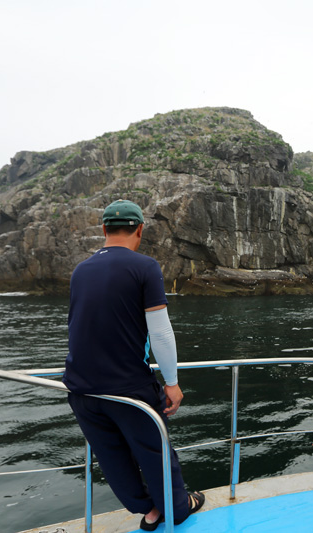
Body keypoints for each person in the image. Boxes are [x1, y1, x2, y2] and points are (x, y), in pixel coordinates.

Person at [63, 199, 204, 531]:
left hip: (81, 389)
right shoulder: (145, 267)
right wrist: (171, 383)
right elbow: (159, 330)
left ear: (104, 230)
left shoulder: (80, 270)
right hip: (128, 387)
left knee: (113, 458)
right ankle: (177, 507)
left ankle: (148, 508)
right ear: (140, 230)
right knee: (155, 453)